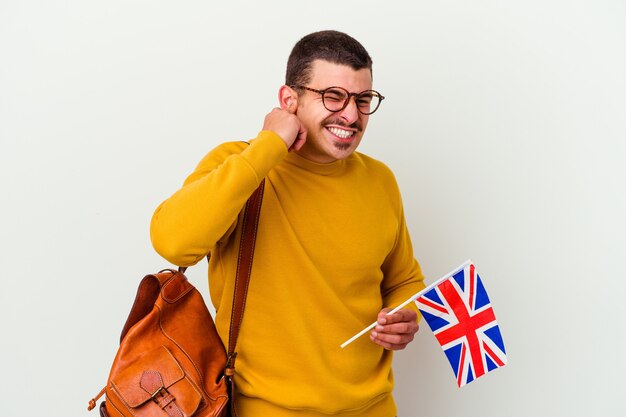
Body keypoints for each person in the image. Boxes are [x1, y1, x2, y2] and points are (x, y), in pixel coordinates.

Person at [150, 30, 425, 417]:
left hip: (372, 408)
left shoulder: (380, 180)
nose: (351, 114)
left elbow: (404, 281)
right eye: (333, 96)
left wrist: (404, 314)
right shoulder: (242, 164)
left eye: (363, 100)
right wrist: (268, 145)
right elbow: (173, 243)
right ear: (288, 100)